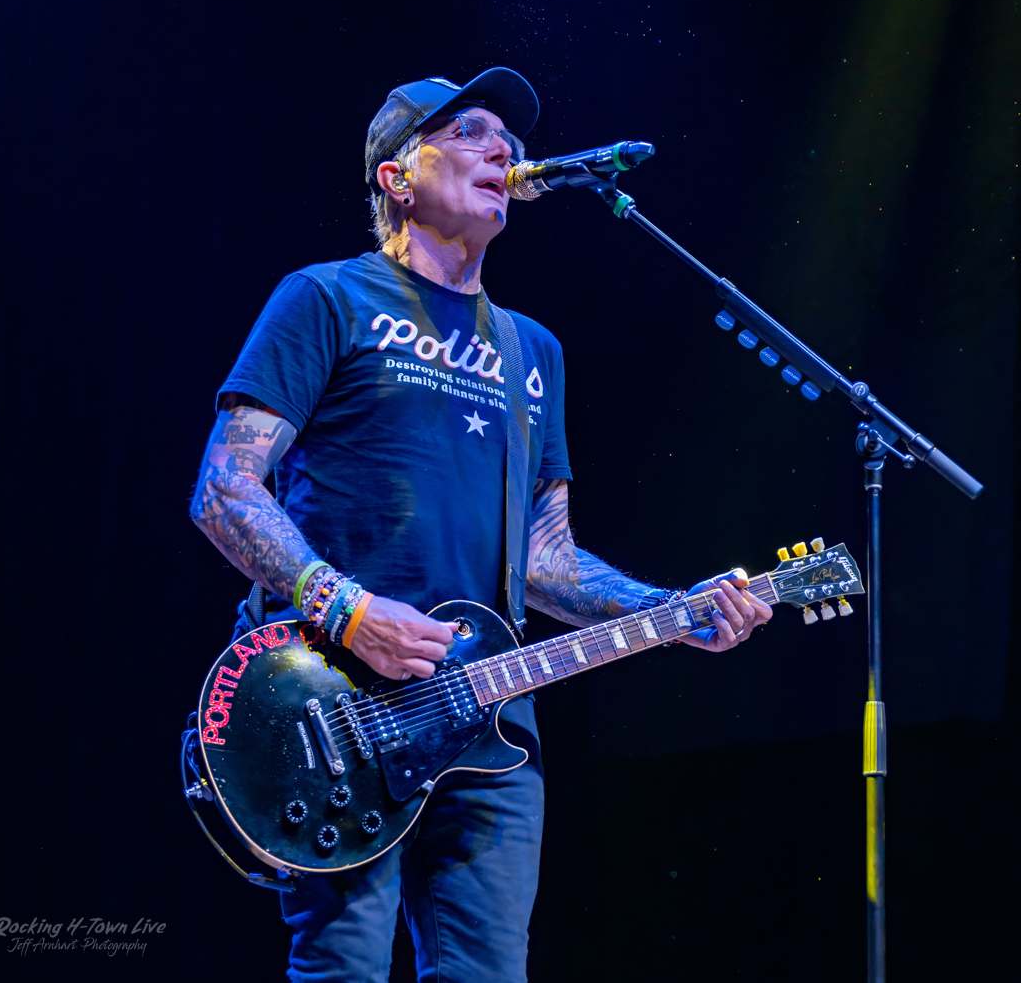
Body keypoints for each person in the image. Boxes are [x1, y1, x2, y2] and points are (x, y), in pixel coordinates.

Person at [190, 67, 772, 983]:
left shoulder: (533, 350)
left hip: (487, 713)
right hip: (332, 699)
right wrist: (347, 610)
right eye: (468, 131)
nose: (503, 149)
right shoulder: (327, 298)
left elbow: (546, 558)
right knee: (344, 967)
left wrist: (672, 609)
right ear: (396, 176)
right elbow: (225, 488)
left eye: (510, 139)